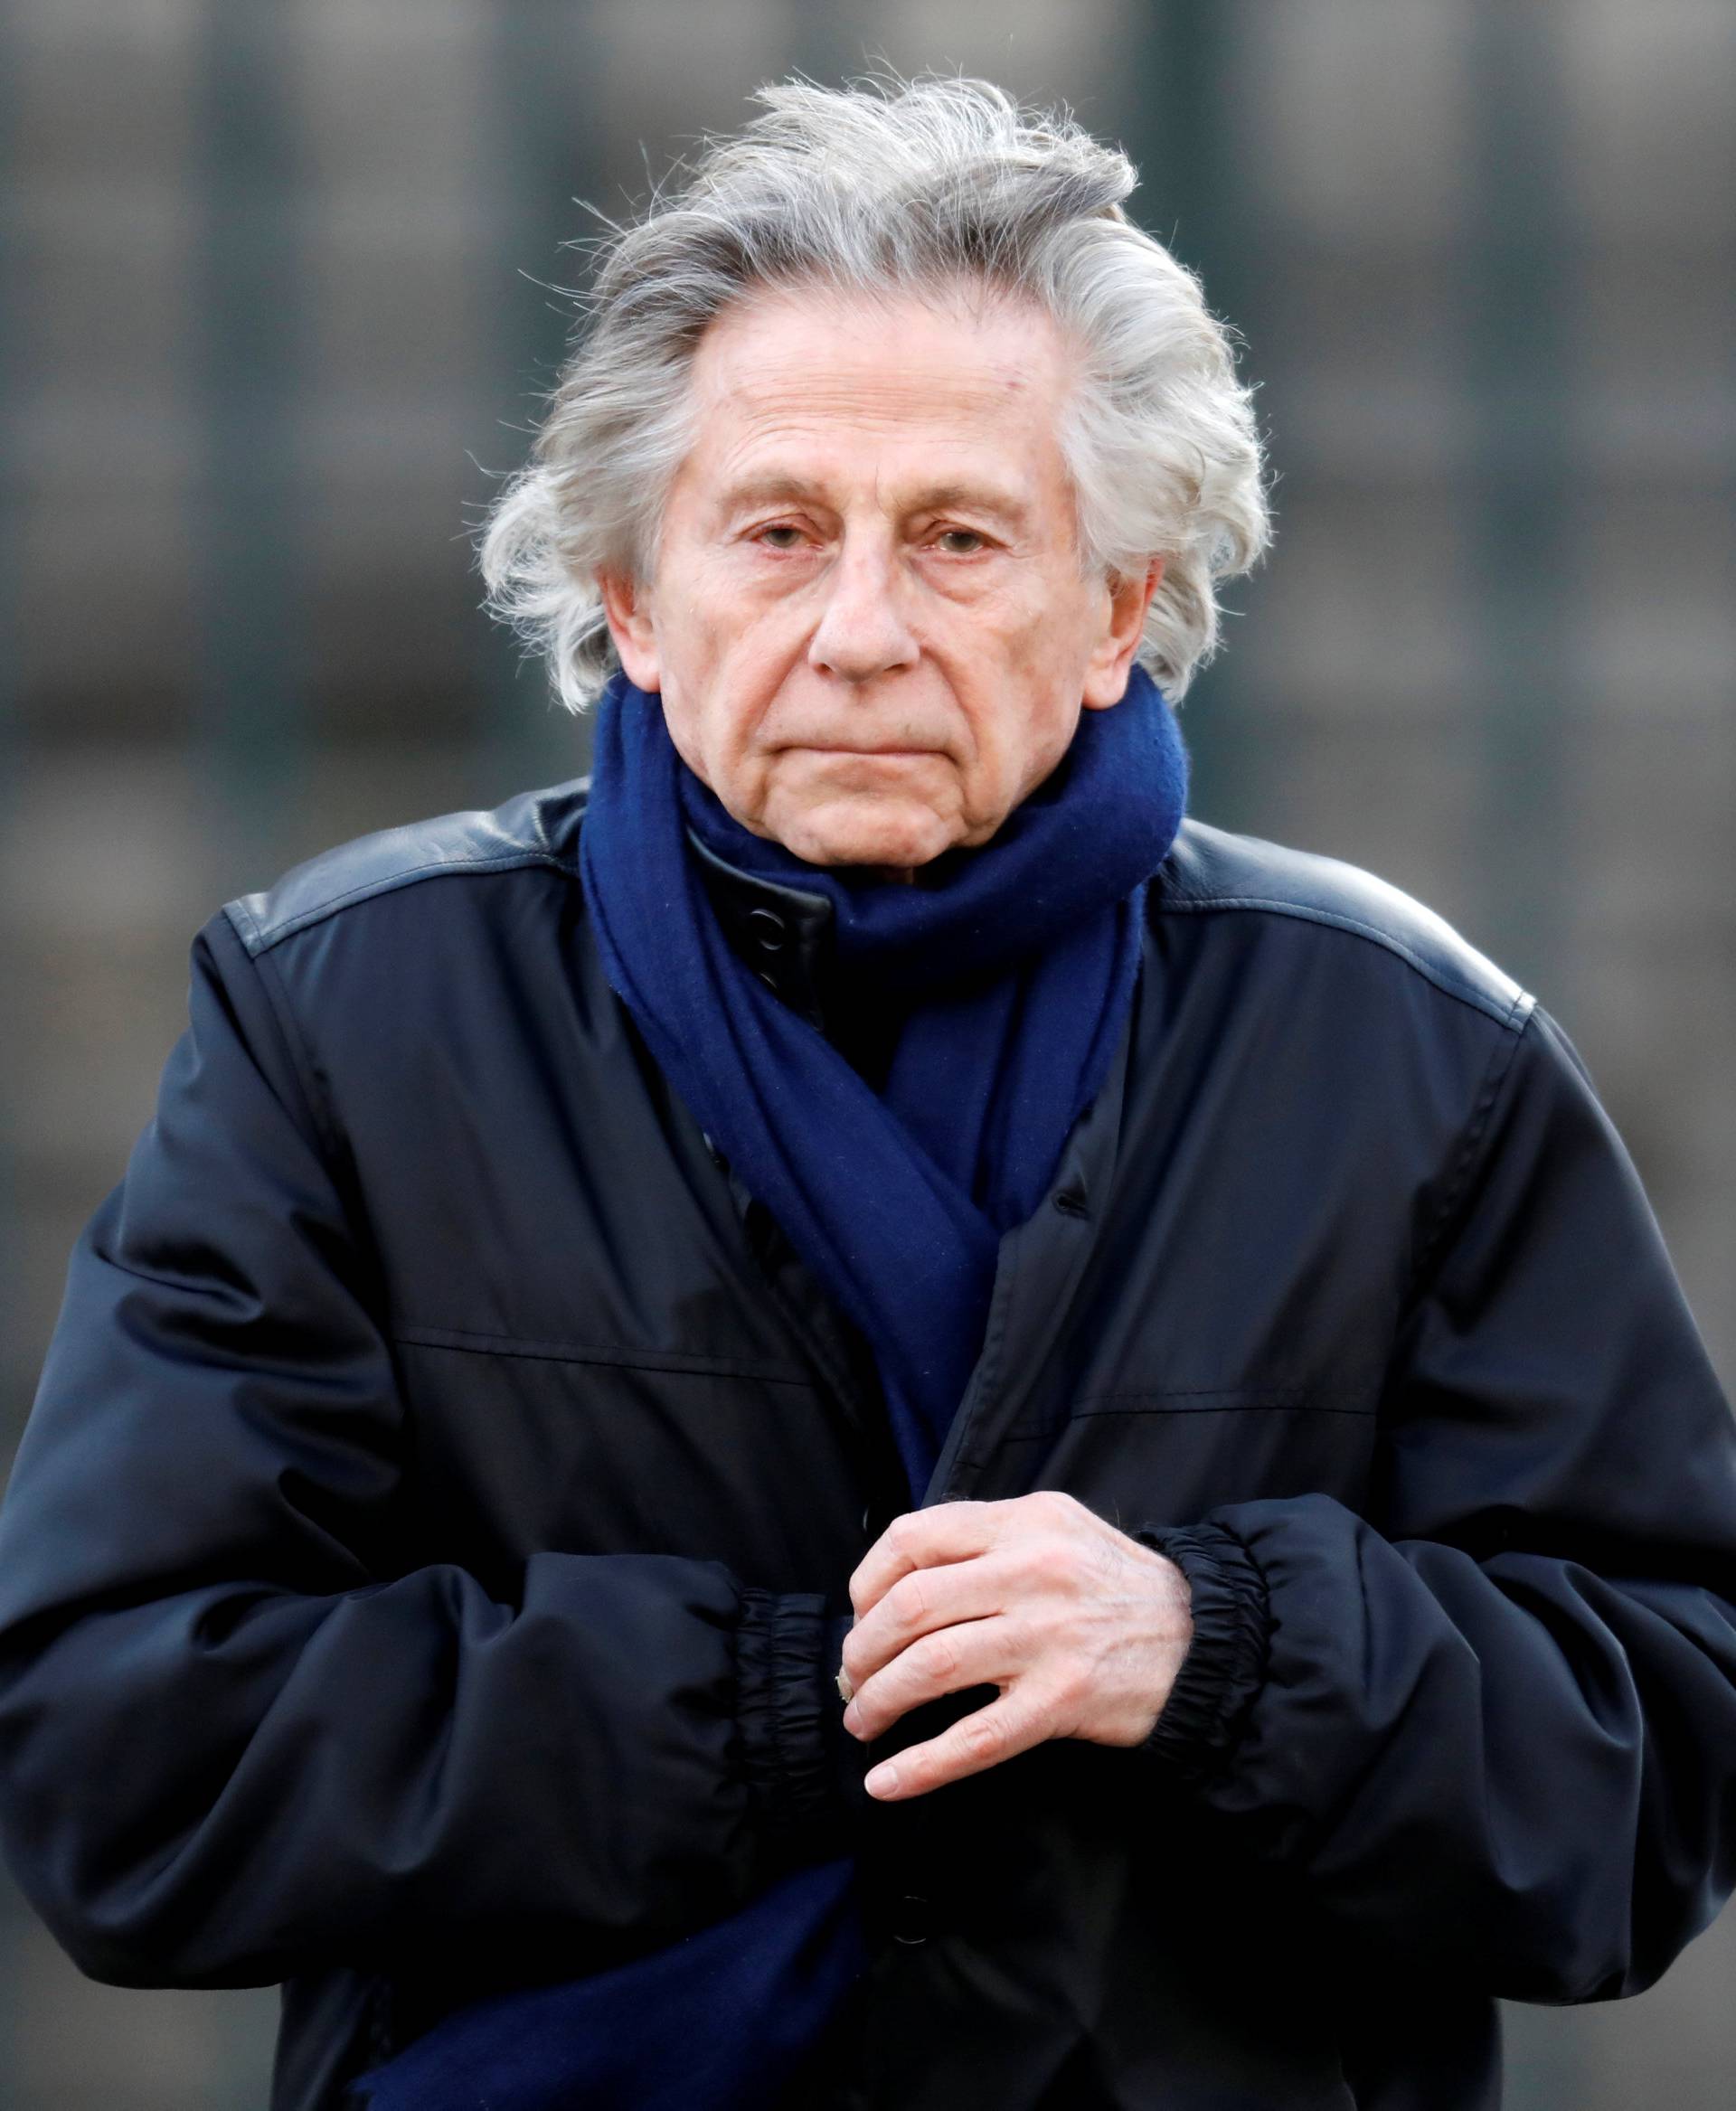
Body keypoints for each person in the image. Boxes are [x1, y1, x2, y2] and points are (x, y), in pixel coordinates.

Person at [1, 74, 1732, 2111]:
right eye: (780, 532)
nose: (859, 633)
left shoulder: (1409, 1054)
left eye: (960, 539)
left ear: (1116, 613)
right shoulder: (347, 1023)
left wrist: (1215, 1645)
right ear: (634, 602)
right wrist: (761, 1699)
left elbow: (1658, 1772)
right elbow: (129, 1757)